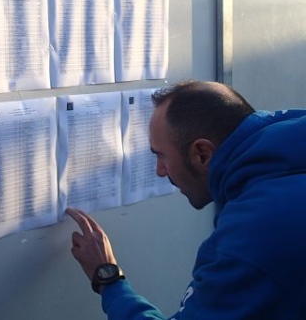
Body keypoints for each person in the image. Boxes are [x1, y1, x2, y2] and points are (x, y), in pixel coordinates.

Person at [66, 80, 306, 319]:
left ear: (202, 154)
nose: (160, 171)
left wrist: (109, 280)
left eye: (161, 156)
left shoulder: (255, 234)